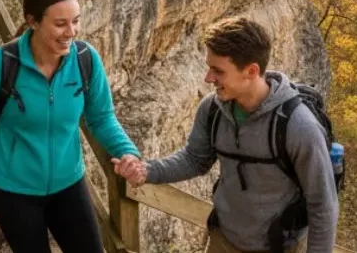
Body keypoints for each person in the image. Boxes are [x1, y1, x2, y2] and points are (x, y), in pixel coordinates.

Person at [0, 0, 143, 253]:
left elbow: (102, 118)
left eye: (75, 21)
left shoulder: (86, 60)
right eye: (60, 24)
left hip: (69, 184)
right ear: (33, 22)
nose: (71, 32)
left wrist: (128, 152)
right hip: (13, 190)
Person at [115, 16, 339, 253]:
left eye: (218, 71)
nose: (208, 78)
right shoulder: (213, 109)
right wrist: (147, 171)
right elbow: (195, 159)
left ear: (251, 71)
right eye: (209, 67)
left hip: (279, 247)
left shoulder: (297, 126)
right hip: (222, 240)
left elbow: (323, 206)